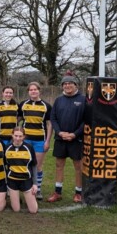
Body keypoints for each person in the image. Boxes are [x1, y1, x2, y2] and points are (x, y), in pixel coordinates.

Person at [47, 73, 86, 203]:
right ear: (62, 86)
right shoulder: (58, 100)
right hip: (61, 138)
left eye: (70, 83)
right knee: (59, 164)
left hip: (77, 139)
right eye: (65, 84)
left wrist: (75, 134)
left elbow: (86, 120)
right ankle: (57, 192)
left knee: (78, 166)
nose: (67, 86)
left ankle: (78, 192)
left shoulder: (83, 99)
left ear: (75, 85)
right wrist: (60, 133)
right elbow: (53, 118)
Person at [18, 82, 53, 200]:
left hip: (39, 140)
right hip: (26, 140)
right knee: (24, 164)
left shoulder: (46, 105)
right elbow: (17, 120)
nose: (33, 91)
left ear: (39, 91)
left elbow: (49, 124)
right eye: (31, 90)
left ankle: (37, 189)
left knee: (37, 165)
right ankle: (26, 187)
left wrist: (47, 141)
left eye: (35, 89)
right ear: (28, 92)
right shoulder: (23, 104)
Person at [4, 127, 38, 214]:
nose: (18, 138)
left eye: (20, 136)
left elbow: (34, 166)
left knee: (33, 210)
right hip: (12, 180)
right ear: (12, 135)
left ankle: (25, 196)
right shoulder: (7, 148)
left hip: (26, 180)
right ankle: (13, 195)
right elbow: (4, 165)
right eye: (15, 136)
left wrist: (35, 184)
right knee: (16, 209)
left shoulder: (29, 147)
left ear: (24, 137)